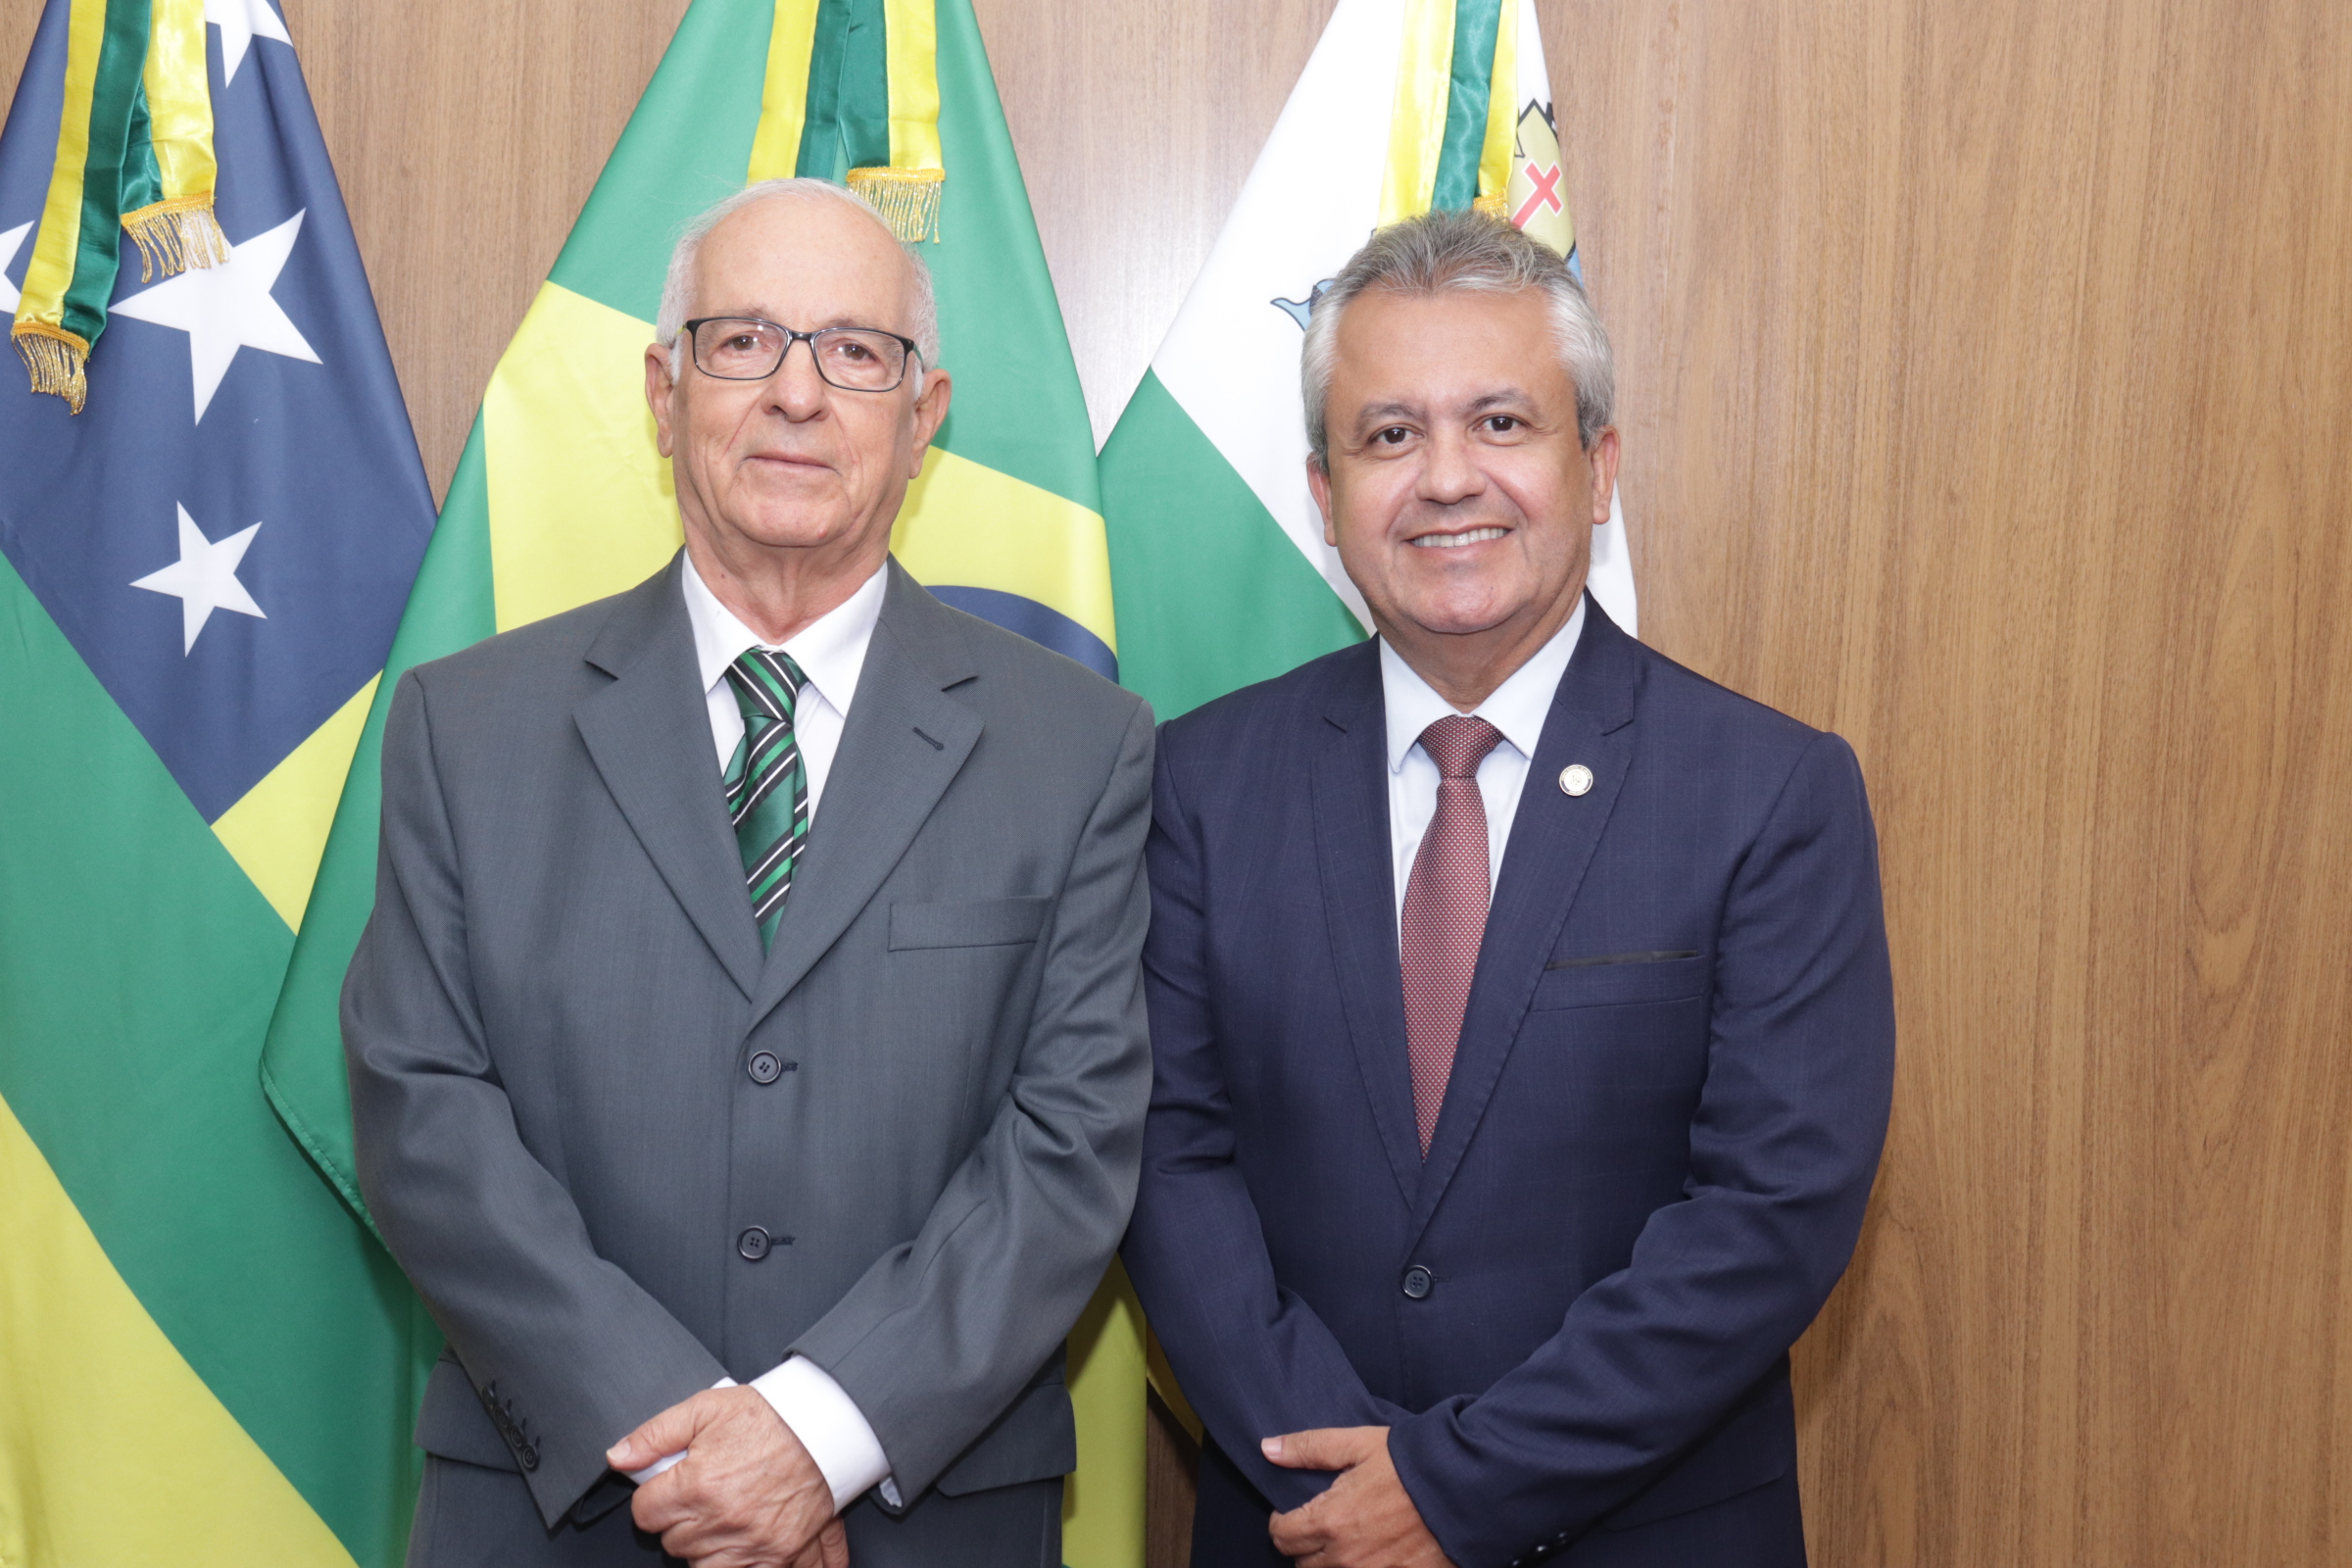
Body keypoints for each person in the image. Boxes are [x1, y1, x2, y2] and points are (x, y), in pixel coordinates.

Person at [343, 177, 1154, 1568]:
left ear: (924, 415)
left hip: (920, 1514)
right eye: (743, 341)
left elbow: (1071, 1143)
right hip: (561, 1508)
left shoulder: (1081, 747)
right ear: (664, 395)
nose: (796, 393)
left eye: (855, 351)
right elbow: (424, 1118)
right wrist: (689, 1446)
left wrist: (817, 1438)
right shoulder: (463, 727)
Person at [1121, 209, 1895, 1568]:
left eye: (1500, 423)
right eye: (1388, 434)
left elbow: (1770, 1214)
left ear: (1598, 469)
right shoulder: (1197, 783)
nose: (1445, 478)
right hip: (1307, 1521)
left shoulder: (1770, 792)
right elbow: (1165, 1164)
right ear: (1324, 494)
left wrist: (1451, 1488)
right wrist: (1343, 1482)